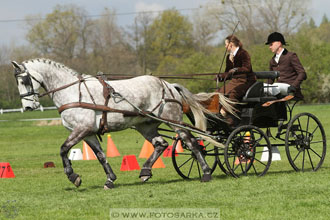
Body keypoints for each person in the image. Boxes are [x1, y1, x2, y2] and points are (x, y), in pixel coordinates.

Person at [217, 35, 256, 126]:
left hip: (246, 81)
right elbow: (227, 73)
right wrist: (221, 77)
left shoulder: (243, 54)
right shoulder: (229, 57)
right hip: (235, 81)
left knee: (233, 93)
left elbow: (247, 68)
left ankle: (226, 113)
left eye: (226, 44)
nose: (225, 46)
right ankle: (217, 114)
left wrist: (236, 69)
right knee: (218, 93)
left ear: (231, 44)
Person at [264, 32, 307, 99]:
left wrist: (294, 86)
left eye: (271, 44)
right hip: (278, 88)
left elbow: (302, 73)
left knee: (274, 86)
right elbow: (271, 79)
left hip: (289, 87)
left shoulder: (291, 56)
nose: (270, 47)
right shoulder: (272, 60)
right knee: (262, 87)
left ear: (279, 43)